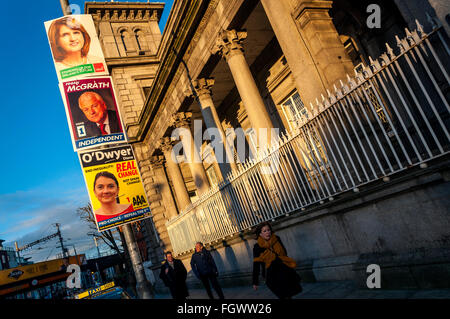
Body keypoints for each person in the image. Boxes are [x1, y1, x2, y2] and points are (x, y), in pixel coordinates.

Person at [252, 222, 302, 299]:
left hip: (284, 270)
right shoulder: (257, 247)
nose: (267, 232)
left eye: (268, 230)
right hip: (271, 275)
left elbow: (284, 253)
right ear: (260, 234)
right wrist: (255, 281)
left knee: (289, 295)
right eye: (264, 231)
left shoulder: (276, 239)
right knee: (282, 296)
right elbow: (256, 264)